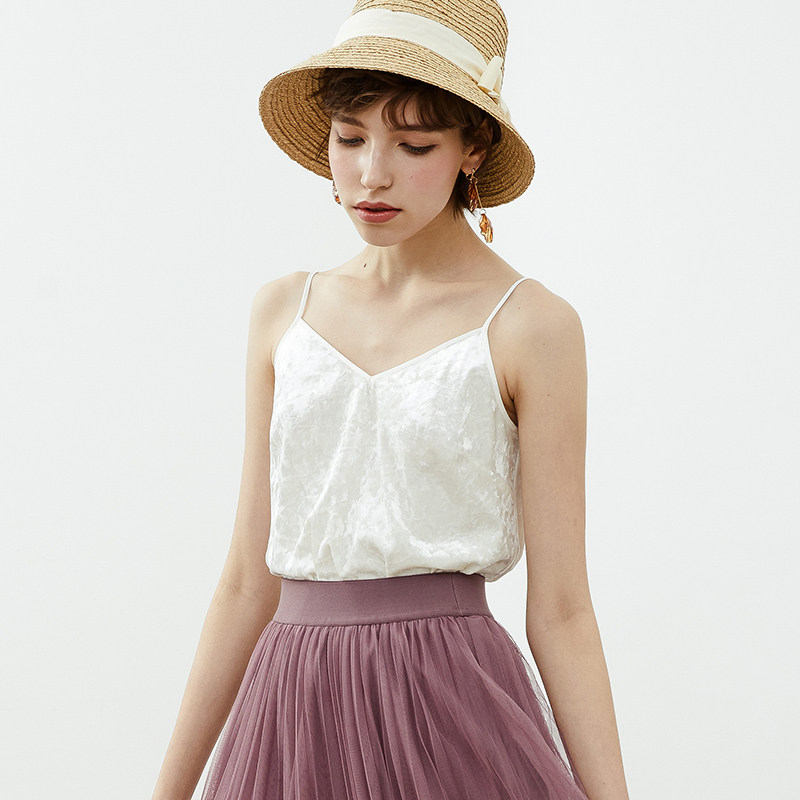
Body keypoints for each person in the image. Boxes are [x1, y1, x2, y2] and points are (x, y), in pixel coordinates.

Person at [152, 1, 629, 798]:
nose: (372, 174)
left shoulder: (533, 327)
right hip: (291, 712)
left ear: (474, 147)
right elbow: (244, 581)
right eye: (350, 138)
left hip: (452, 707)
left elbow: (563, 610)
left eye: (414, 146)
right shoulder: (283, 313)